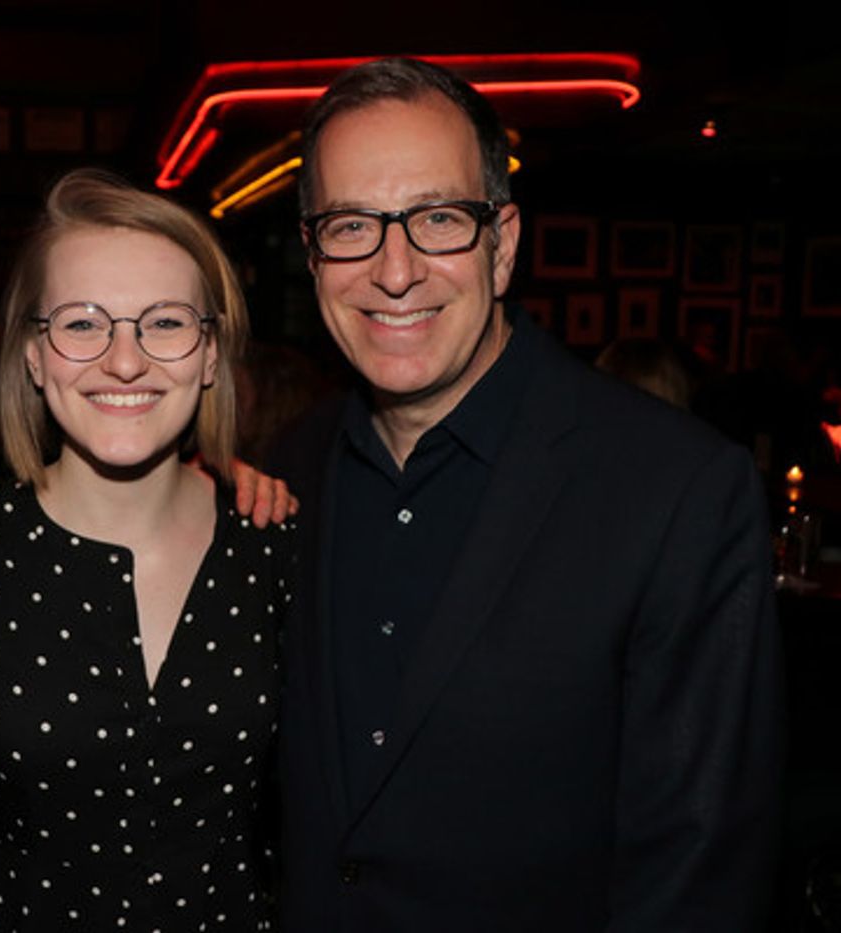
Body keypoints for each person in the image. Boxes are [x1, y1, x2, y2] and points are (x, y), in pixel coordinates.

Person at [271, 58, 783, 931]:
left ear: (503, 243)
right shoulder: (289, 464)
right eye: (353, 225)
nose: (395, 271)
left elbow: (699, 873)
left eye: (438, 219)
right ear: (313, 251)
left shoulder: (677, 488)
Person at [0, 169, 295, 931]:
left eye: (165, 322)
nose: (125, 360)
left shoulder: (278, 548)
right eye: (84, 323)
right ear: (33, 355)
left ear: (211, 354)